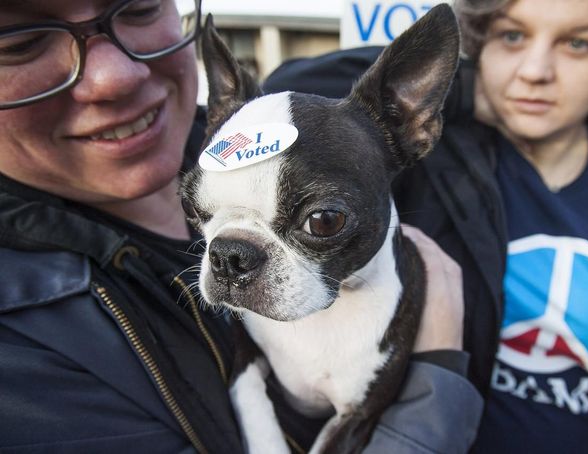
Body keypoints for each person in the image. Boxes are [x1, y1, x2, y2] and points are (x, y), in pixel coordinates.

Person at [0, 1, 484, 453]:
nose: (113, 77)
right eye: (19, 42)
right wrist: (435, 380)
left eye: (140, 7)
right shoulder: (21, 351)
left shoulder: (316, 145)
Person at [263, 0, 588, 453]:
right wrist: (459, 90)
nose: (535, 71)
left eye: (578, 43)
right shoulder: (427, 161)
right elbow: (284, 93)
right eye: (512, 36)